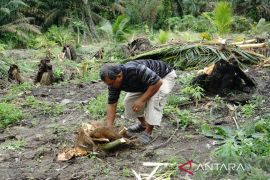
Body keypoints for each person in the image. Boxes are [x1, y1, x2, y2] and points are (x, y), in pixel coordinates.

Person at [100, 59, 177, 144]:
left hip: (164, 77)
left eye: (111, 83)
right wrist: (109, 127)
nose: (110, 86)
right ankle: (143, 125)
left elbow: (158, 82)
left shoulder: (135, 69)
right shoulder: (113, 83)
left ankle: (148, 133)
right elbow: (112, 104)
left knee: (154, 100)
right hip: (146, 83)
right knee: (129, 101)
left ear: (119, 76)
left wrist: (142, 100)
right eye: (108, 84)